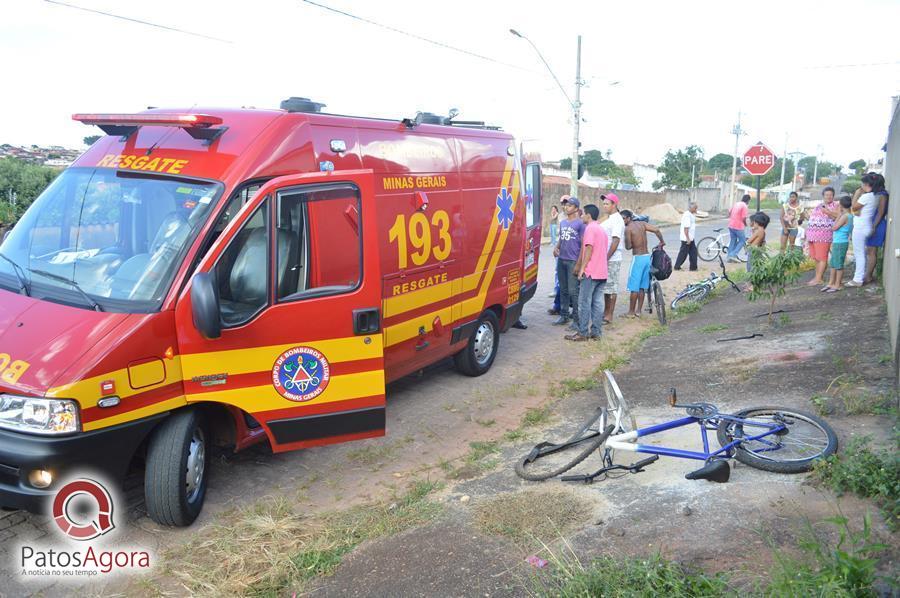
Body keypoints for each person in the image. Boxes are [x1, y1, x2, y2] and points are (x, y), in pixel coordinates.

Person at [566, 204, 609, 341]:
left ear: (589, 215)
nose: (581, 215)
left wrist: (582, 268)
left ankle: (583, 332)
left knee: (584, 302)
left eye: (582, 213)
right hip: (602, 272)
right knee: (597, 303)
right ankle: (596, 332)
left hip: (591, 272)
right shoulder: (601, 229)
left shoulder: (590, 229)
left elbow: (589, 249)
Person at [622, 210, 665, 317]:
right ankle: (638, 311)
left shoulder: (628, 229)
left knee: (634, 287)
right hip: (647, 258)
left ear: (628, 218)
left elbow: (628, 247)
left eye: (623, 218)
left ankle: (631, 312)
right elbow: (657, 230)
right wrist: (661, 241)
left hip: (638, 258)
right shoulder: (642, 224)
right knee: (642, 286)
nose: (622, 220)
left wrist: (629, 240)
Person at [553, 196, 584, 325]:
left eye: (570, 205)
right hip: (562, 259)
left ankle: (576, 318)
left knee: (573, 291)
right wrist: (557, 247)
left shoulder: (580, 224)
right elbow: (561, 238)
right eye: (566, 205)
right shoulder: (563, 222)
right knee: (563, 289)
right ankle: (564, 315)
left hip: (572, 260)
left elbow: (583, 245)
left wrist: (578, 263)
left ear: (576, 208)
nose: (566, 207)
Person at [849, 174, 881, 287]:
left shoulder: (866, 196)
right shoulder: (876, 195)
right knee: (863, 253)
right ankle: (859, 277)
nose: (861, 185)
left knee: (859, 254)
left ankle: (857, 279)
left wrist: (857, 193)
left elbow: (853, 207)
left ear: (866, 184)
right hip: (867, 225)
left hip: (860, 227)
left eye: (862, 183)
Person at [805, 187, 840, 286]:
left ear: (833, 196)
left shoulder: (836, 205)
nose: (828, 197)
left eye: (830, 195)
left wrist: (827, 212)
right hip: (813, 235)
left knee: (822, 258)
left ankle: (818, 278)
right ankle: (817, 277)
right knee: (816, 258)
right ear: (823, 196)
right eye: (826, 195)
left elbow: (838, 216)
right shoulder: (819, 205)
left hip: (824, 235)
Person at [600, 193, 625, 324]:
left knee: (612, 287)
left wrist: (606, 257)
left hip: (613, 258)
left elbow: (615, 241)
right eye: (603, 204)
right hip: (606, 258)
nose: (604, 206)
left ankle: (609, 314)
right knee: (606, 287)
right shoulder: (609, 219)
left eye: (607, 204)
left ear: (614, 205)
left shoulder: (617, 220)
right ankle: (605, 311)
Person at [824, 195, 853, 293]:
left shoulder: (846, 216)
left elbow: (834, 227)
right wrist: (839, 214)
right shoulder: (845, 215)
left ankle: (838, 284)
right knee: (833, 263)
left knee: (839, 264)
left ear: (841, 205)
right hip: (838, 242)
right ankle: (831, 282)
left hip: (841, 242)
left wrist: (839, 215)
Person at [864, 173, 889, 284]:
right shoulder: (876, 194)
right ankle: (868, 275)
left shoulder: (882, 195)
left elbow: (881, 212)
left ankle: (868, 276)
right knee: (869, 251)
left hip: (877, 225)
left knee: (872, 251)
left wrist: (873, 226)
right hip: (873, 223)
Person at [673, 202, 698, 271]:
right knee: (683, 253)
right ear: (691, 208)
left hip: (690, 238)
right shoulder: (687, 215)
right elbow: (686, 228)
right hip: (686, 238)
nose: (696, 209)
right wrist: (687, 238)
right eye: (695, 208)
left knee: (693, 252)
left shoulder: (691, 214)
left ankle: (693, 267)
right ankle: (677, 266)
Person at [726, 194, 750, 261]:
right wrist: (745, 224)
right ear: (748, 200)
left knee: (733, 240)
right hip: (738, 226)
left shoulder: (736, 204)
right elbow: (743, 218)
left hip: (731, 225)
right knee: (742, 240)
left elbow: (729, 213)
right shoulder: (744, 206)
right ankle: (733, 255)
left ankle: (729, 256)